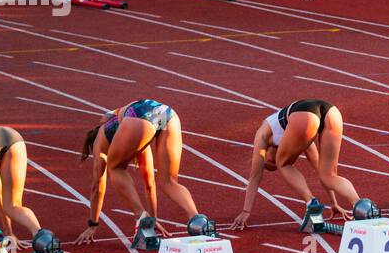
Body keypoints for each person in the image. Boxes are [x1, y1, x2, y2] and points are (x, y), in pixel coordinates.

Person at [75, 99, 200, 244]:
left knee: (115, 168)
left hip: (138, 116)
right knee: (168, 182)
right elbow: (149, 184)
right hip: (167, 113)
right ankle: (198, 222)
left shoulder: (101, 143)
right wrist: (152, 222)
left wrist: (93, 224)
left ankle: (140, 216)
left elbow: (97, 187)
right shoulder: (137, 140)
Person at [229, 100, 361, 228]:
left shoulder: (262, 135)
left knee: (284, 163)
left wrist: (246, 212)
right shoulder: (296, 139)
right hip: (331, 112)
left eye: (269, 162)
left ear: (266, 151)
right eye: (273, 166)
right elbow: (317, 166)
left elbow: (255, 177)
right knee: (329, 176)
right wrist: (334, 203)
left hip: (304, 115)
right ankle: (361, 207)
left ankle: (311, 202)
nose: (274, 162)